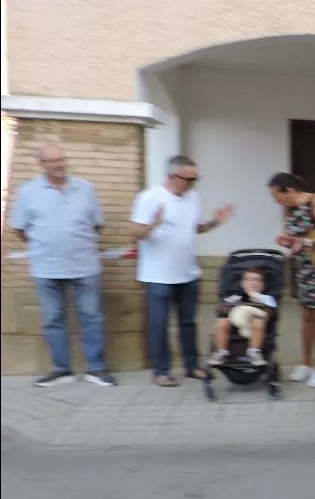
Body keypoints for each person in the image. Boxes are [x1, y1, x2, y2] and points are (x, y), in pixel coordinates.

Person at [8, 145, 116, 388]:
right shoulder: (28, 192)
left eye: (62, 159)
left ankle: (96, 369)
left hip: (84, 265)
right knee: (53, 318)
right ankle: (61, 368)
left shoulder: (85, 189)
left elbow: (97, 224)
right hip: (46, 267)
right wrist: (44, 244)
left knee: (91, 316)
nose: (59, 165)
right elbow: (19, 228)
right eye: (52, 161)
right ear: (42, 165)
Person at [132, 155, 235, 388]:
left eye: (195, 178)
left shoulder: (194, 198)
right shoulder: (150, 197)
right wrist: (154, 224)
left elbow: (195, 228)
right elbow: (135, 234)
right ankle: (161, 370)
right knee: (159, 324)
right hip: (157, 275)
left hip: (187, 273)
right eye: (188, 179)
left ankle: (192, 366)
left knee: (188, 322)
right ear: (172, 176)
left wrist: (215, 222)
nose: (192, 183)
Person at [268, 172, 315, 389]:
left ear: (289, 191)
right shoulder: (286, 208)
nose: (277, 202)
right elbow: (292, 237)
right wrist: (287, 240)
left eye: (278, 197)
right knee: (306, 315)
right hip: (302, 267)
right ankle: (306, 363)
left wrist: (306, 243)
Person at [206, 268, 277, 366]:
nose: (254, 283)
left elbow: (271, 311)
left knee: (258, 322)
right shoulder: (235, 298)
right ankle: (220, 352)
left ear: (263, 284)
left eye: (258, 280)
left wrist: (258, 298)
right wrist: (228, 308)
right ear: (242, 284)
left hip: (256, 325)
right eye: (250, 279)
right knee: (221, 322)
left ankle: (254, 352)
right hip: (234, 325)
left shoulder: (267, 298)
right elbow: (223, 309)